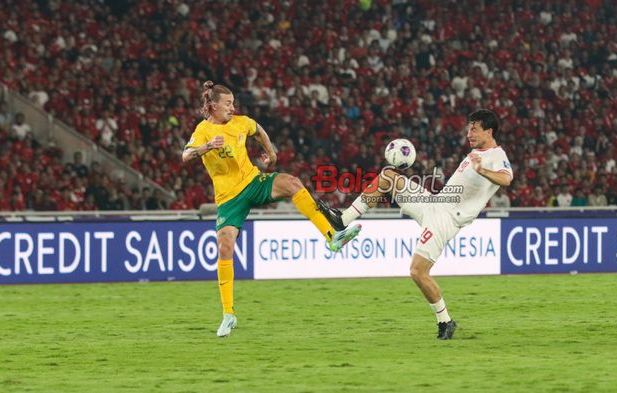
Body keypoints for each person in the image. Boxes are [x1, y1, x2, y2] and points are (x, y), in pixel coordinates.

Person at [182, 81, 360, 337]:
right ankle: (228, 314)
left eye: (233, 103)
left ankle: (332, 237)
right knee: (224, 246)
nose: (233, 108)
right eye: (228, 104)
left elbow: (259, 130)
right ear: (213, 105)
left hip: (253, 182)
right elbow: (185, 155)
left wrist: (271, 153)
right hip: (228, 198)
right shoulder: (203, 131)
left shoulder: (241, 122)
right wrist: (205, 148)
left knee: (292, 183)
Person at [318, 109, 512, 340]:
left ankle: (445, 321)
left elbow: (506, 178)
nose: (469, 132)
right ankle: (342, 221)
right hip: (435, 203)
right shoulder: (475, 152)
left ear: (489, 131)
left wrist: (482, 169)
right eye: (468, 127)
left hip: (445, 219)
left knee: (417, 271)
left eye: (474, 128)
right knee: (388, 176)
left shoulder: (496, 155)